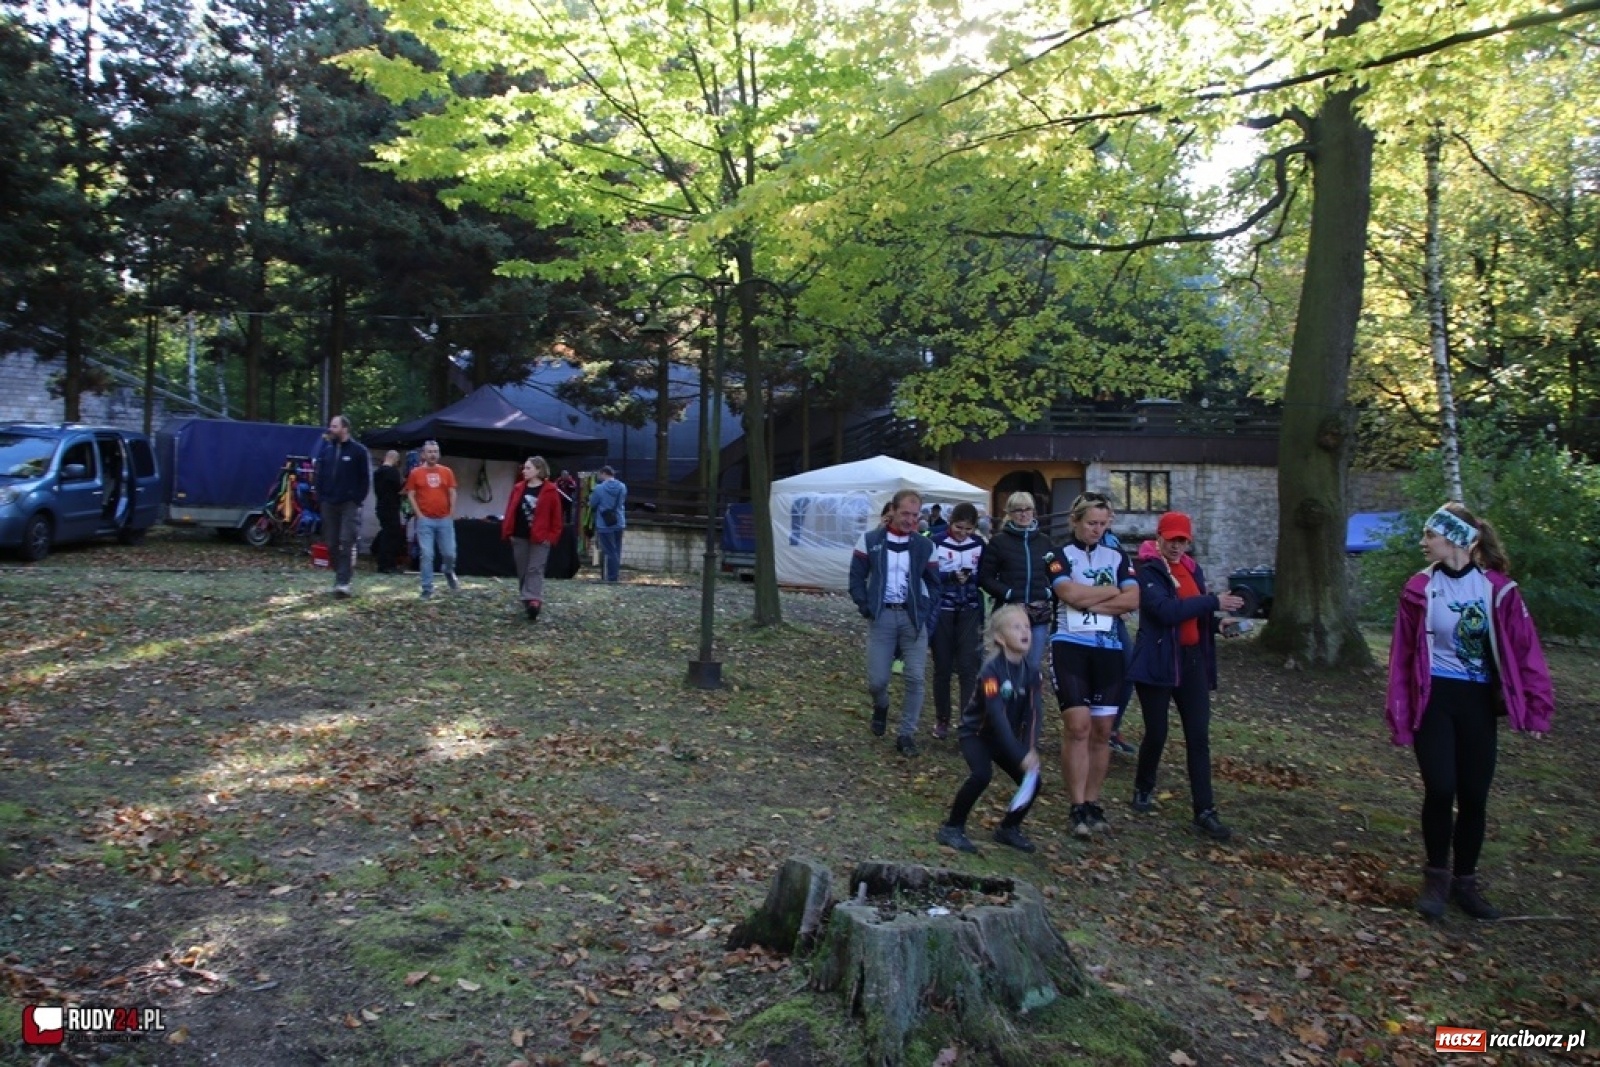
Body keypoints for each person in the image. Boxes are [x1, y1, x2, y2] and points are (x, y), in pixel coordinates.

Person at [1385, 502, 1554, 921]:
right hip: (1434, 700)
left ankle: (1465, 883)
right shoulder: (1420, 588)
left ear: (1456, 539)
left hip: (1477, 702)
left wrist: (1537, 706)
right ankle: (1436, 880)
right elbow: (1401, 657)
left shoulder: (1498, 590)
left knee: (1474, 795)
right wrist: (1399, 712)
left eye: (1430, 535)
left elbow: (1525, 649)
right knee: (1441, 788)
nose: (1423, 542)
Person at [1127, 511, 1242, 843]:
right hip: (1157, 661)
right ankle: (1143, 787)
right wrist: (1212, 601)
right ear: (1159, 538)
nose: (1177, 546)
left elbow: (1194, 614)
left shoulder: (1193, 569)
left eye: (1183, 540)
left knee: (1198, 736)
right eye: (1171, 539)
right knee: (1157, 732)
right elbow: (1166, 612)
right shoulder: (1147, 570)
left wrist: (1217, 623)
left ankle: (1205, 811)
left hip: (1191, 662)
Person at [1048, 492, 1141, 839]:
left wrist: (1089, 600)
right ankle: (1075, 806)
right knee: (1078, 727)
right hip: (1070, 646)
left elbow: (1133, 599)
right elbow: (1069, 595)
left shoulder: (1118, 556)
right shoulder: (1058, 555)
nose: (1097, 530)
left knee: (1102, 731)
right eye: (1091, 523)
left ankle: (1092, 802)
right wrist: (1111, 593)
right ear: (1075, 521)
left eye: (1103, 524)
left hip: (1109, 648)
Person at [936, 605, 1043, 854]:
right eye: (1016, 627)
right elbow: (996, 716)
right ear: (1000, 638)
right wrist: (1018, 753)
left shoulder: (1032, 673)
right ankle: (952, 827)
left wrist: (1030, 748)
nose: (1025, 631)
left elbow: (1034, 713)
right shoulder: (991, 672)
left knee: (1033, 780)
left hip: (1003, 739)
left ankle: (1008, 828)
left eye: (1027, 627)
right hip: (976, 735)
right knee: (982, 775)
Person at [849, 489, 941, 757]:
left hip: (913, 617)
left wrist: (923, 608)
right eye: (905, 514)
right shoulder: (870, 540)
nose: (910, 520)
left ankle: (906, 734)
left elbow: (935, 584)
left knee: (915, 677)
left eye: (915, 515)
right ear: (893, 511)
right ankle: (881, 705)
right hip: (882, 616)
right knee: (877, 680)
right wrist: (866, 606)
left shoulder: (926, 546)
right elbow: (856, 577)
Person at [977, 491, 1055, 676]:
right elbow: (985, 578)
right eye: (1018, 510)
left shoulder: (1045, 542)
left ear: (1034, 511)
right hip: (1009, 612)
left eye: (1028, 509)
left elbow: (1056, 571)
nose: (1023, 514)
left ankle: (1028, 695)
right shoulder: (998, 542)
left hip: (1038, 613)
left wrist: (1048, 592)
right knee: (1007, 665)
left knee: (1032, 666)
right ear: (1010, 513)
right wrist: (1008, 593)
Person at [929, 502, 986, 740]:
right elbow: (927, 573)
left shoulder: (979, 544)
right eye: (958, 528)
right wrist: (949, 576)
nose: (962, 533)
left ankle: (967, 721)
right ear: (951, 523)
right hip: (942, 609)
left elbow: (986, 574)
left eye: (968, 529)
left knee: (968, 667)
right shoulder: (935, 541)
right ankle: (942, 718)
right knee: (942, 666)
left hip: (970, 610)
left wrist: (973, 578)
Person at [312, 414, 371, 598]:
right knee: (331, 543)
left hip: (349, 504)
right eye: (331, 426)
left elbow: (365, 479)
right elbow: (319, 475)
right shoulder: (326, 451)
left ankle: (343, 582)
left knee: (347, 541)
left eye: (335, 426)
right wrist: (321, 496)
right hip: (329, 503)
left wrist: (357, 499)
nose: (331, 429)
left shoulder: (359, 451)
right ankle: (341, 576)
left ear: (345, 428)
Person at [501, 455, 564, 621]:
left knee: (535, 569)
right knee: (523, 569)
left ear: (538, 470)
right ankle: (527, 600)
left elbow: (556, 517)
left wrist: (551, 537)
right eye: (524, 468)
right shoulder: (518, 488)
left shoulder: (550, 490)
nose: (524, 471)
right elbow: (510, 510)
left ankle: (534, 600)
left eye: (528, 468)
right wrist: (508, 531)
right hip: (519, 535)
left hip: (541, 538)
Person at [403, 440, 458, 599]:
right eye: (430, 452)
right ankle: (427, 588)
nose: (433, 454)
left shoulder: (447, 471)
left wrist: (451, 512)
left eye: (435, 451)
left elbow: (452, 492)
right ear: (423, 454)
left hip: (444, 519)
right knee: (427, 554)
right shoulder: (416, 473)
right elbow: (410, 494)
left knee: (450, 553)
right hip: (425, 520)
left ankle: (448, 570)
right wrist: (419, 514)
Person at [1101, 528, 1139, 756]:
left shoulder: (1113, 541)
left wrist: (1123, 603)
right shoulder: (1076, 546)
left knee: (1128, 669)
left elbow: (1126, 582)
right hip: (1088, 618)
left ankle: (1112, 728)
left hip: (1116, 618)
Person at [589, 466, 628, 582]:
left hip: (604, 524)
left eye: (600, 474)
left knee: (609, 551)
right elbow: (622, 502)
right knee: (616, 551)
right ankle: (614, 575)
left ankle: (611, 577)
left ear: (603, 473)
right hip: (619, 522)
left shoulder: (599, 488)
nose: (599, 477)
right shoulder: (622, 486)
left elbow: (592, 503)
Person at [372, 450, 404, 574]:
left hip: (381, 506)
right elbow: (399, 490)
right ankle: (387, 564)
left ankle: (380, 557)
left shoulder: (377, 472)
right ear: (395, 459)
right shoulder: (393, 472)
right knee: (391, 535)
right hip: (391, 507)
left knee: (385, 533)